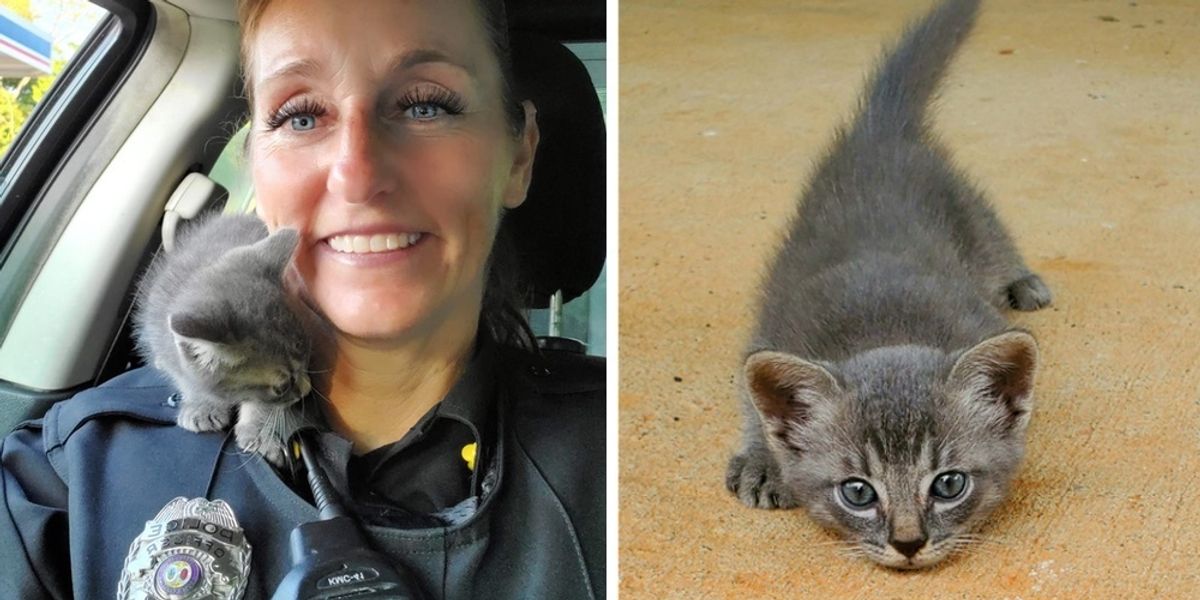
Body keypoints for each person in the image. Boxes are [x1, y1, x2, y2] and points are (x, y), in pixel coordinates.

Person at [0, 0, 605, 598]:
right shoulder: (70, 481)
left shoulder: (626, 460)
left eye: (425, 104)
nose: (358, 173)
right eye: (301, 116)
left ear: (519, 155)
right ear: (257, 170)